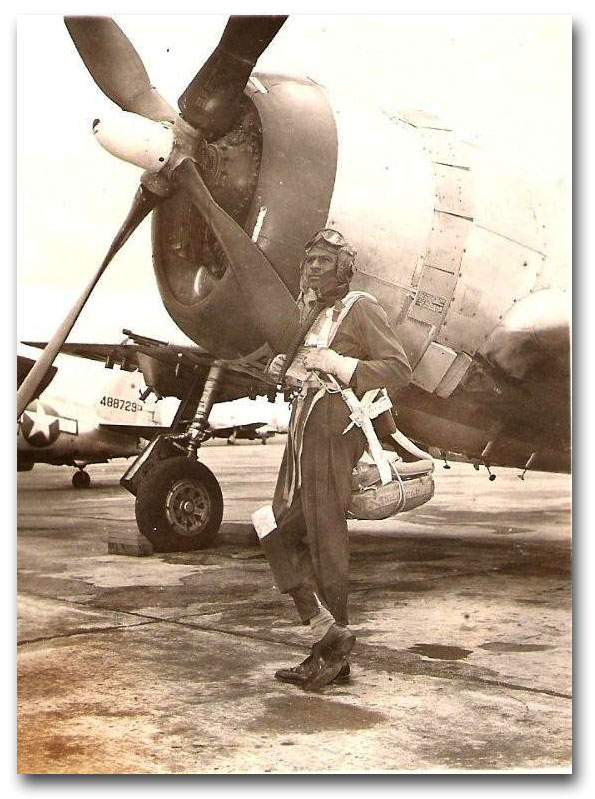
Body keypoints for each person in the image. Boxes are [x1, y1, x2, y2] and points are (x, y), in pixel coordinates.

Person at [252, 228, 412, 691]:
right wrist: (287, 367)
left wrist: (341, 366)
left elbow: (398, 368)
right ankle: (330, 637)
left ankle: (332, 652)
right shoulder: (312, 312)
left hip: (333, 431)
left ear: (345, 266)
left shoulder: (360, 308)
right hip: (305, 429)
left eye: (324, 260)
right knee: (276, 530)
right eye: (310, 261)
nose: (315, 268)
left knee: (324, 538)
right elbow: (310, 363)